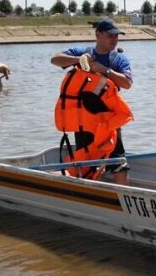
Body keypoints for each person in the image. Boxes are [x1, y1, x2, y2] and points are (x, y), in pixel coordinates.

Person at [51, 19, 133, 184]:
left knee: (119, 162)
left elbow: (127, 83)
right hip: (84, 120)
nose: (114, 39)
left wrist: (106, 71)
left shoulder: (118, 59)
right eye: (110, 35)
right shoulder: (83, 52)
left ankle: (122, 198)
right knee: (85, 161)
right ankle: (87, 194)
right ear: (98, 35)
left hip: (108, 121)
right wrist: (78, 60)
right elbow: (55, 59)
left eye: (117, 36)